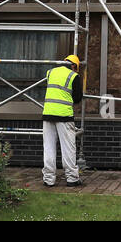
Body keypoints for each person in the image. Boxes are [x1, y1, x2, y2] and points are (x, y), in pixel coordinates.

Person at [42, 54, 84, 187]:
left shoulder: (50, 72)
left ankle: (48, 179)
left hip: (48, 114)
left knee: (48, 148)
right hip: (64, 116)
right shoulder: (73, 76)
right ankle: (72, 178)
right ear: (74, 66)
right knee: (68, 148)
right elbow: (77, 98)